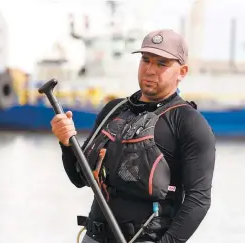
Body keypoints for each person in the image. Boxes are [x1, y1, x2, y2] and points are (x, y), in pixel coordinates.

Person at [51, 29, 216, 243]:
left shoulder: (189, 123)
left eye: (161, 64)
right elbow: (79, 179)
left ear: (182, 72)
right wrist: (65, 143)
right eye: (145, 60)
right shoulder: (114, 110)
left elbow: (199, 200)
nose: (150, 70)